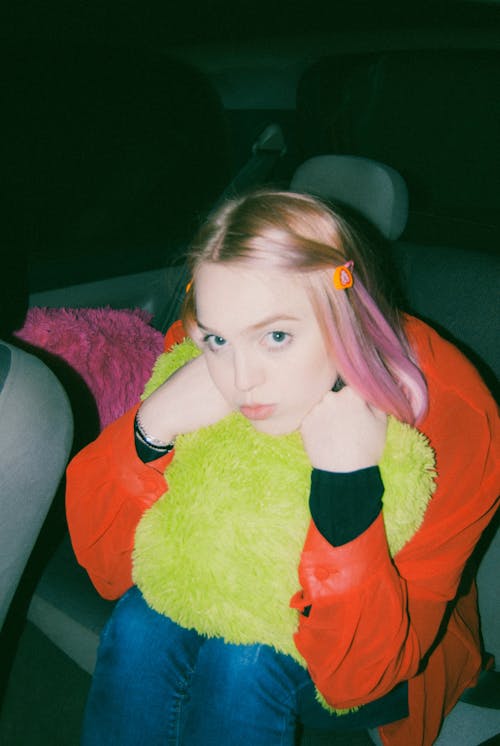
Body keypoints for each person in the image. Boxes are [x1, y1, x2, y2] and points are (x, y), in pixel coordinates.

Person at [66, 189, 499, 746]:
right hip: (224, 576)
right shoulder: (204, 348)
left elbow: (364, 674)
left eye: (276, 337)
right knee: (138, 618)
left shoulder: (451, 416)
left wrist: (348, 496)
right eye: (218, 339)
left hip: (382, 647)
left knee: (242, 659)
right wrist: (150, 430)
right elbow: (109, 568)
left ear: (347, 313)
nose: (240, 378)